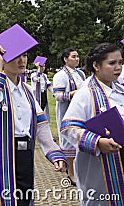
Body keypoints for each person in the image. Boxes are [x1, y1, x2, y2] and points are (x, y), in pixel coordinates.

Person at [0, 44, 66, 206]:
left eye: (25, 55)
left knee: (25, 199)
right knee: (3, 200)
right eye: (14, 56)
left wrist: (53, 151)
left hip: (24, 154)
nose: (22, 60)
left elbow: (40, 124)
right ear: (2, 59)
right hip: (1, 155)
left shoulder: (26, 90)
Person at [61, 43, 124, 205]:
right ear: (96, 65)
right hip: (101, 166)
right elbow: (69, 127)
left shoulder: (121, 91)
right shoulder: (85, 93)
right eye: (112, 63)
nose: (118, 67)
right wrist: (97, 142)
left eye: (120, 62)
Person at [52, 48, 86, 185]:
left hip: (80, 111)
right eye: (73, 56)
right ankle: (70, 172)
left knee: (79, 140)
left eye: (78, 56)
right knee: (68, 141)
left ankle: (77, 171)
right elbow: (57, 96)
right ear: (65, 59)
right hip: (67, 111)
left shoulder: (81, 74)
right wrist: (73, 94)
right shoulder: (60, 75)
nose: (77, 59)